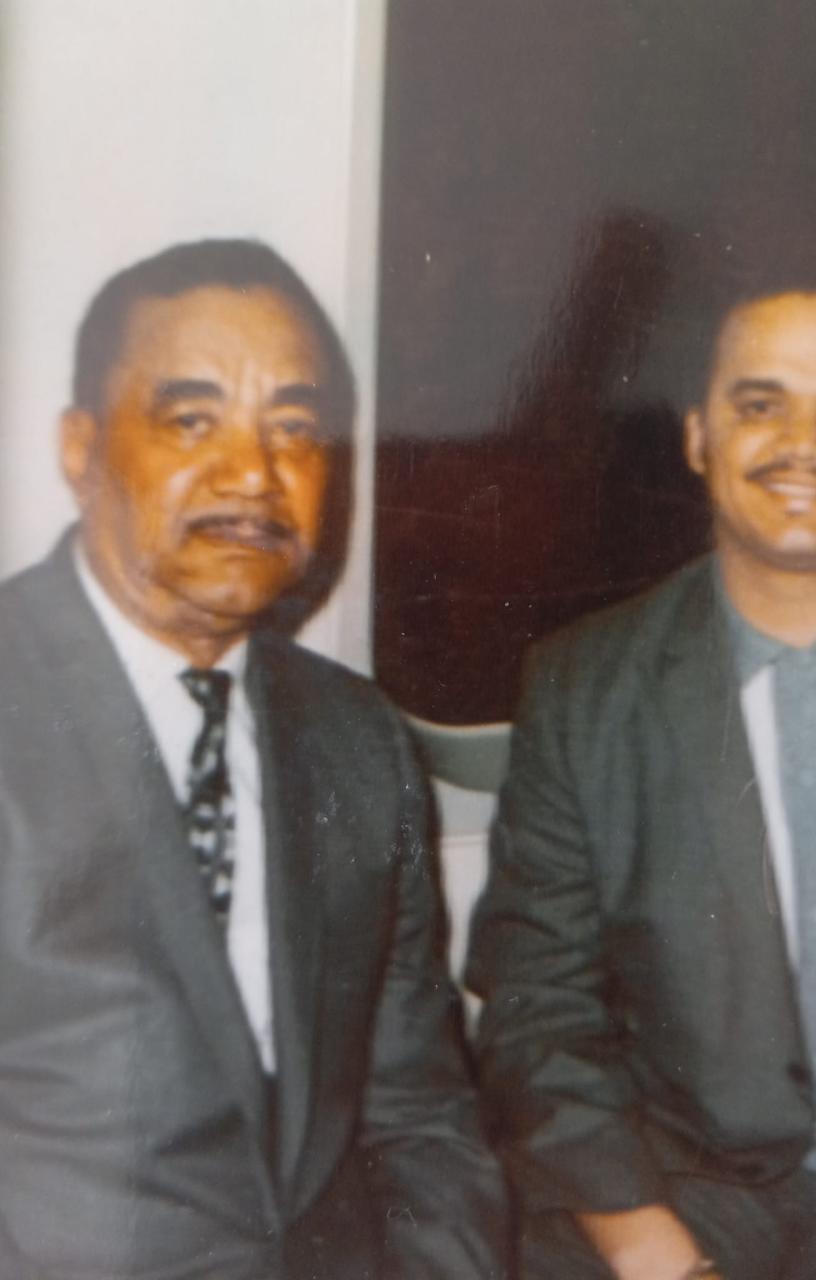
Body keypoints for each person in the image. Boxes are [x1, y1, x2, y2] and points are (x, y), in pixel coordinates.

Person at [0, 239, 507, 1280]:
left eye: (296, 430)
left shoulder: (358, 738)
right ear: (81, 449)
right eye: (193, 420)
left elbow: (420, 1110)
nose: (253, 474)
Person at [468, 273, 816, 1280]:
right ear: (698, 436)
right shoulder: (584, 682)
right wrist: (642, 1235)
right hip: (673, 1180)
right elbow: (535, 995)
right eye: (760, 402)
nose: (804, 443)